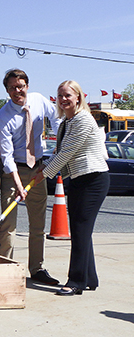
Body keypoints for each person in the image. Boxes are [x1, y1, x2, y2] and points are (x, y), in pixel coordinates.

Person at [34, 80, 109, 296]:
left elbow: (67, 153)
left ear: (78, 97)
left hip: (93, 179)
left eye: (68, 95)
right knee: (79, 230)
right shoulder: (68, 121)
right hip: (77, 179)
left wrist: (43, 175)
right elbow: (61, 151)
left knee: (81, 229)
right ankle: (90, 278)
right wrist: (45, 166)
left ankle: (76, 281)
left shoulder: (83, 119)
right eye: (60, 96)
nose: (64, 99)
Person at [0, 69, 61, 285]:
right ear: (7, 90)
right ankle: (5, 268)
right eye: (12, 87)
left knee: (38, 225)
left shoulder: (39, 101)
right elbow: (6, 156)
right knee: (8, 224)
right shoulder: (3, 116)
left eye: (20, 86)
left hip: (39, 169)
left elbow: (58, 119)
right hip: (14, 171)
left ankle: (37, 269)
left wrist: (59, 149)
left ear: (27, 86)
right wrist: (18, 184)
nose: (17, 91)